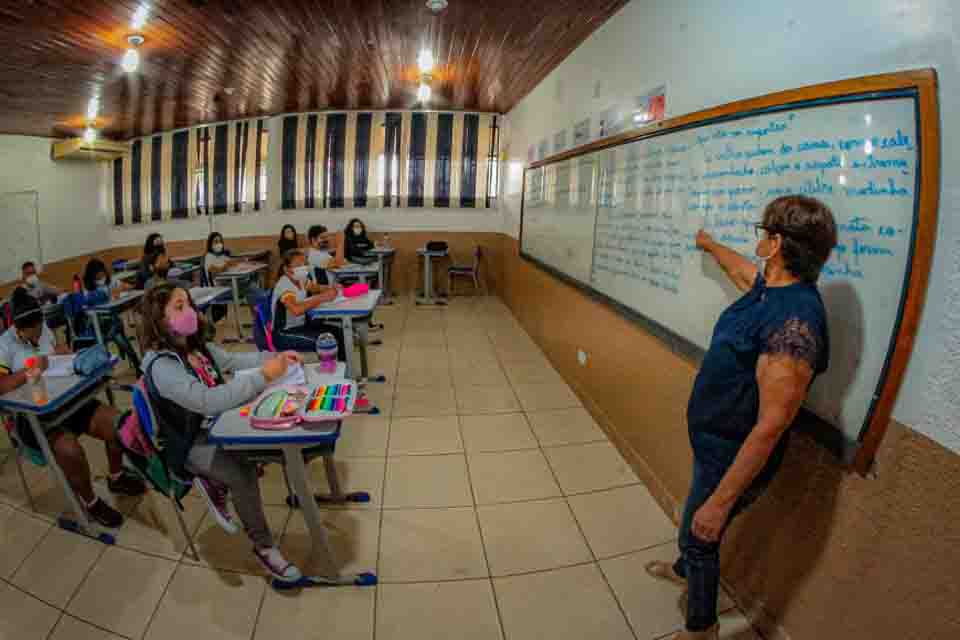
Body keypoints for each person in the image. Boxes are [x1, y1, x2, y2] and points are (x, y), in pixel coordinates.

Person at [645, 195, 837, 640]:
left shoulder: (795, 323)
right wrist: (709, 244)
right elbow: (739, 269)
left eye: (764, 232)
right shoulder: (770, 289)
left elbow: (772, 425)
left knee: (702, 531)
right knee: (696, 524)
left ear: (777, 244)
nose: (758, 240)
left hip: (733, 455)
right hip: (714, 442)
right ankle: (684, 567)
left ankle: (701, 628)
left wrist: (721, 501)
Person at [139, 283, 306, 581]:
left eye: (188, 303)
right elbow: (207, 400)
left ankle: (221, 481)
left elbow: (232, 361)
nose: (190, 311)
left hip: (216, 425)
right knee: (242, 474)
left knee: (270, 442)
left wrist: (276, 357)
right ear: (158, 319)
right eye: (179, 307)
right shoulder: (162, 365)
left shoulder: (192, 345)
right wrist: (263, 376)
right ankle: (264, 547)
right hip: (189, 442)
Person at [0, 288, 145, 527]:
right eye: (31, 331)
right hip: (34, 419)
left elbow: (54, 355)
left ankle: (117, 476)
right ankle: (90, 502)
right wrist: (31, 369)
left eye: (40, 327)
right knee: (70, 451)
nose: (38, 334)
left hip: (67, 402)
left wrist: (64, 354)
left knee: (118, 424)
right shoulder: (4, 344)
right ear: (17, 327)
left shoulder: (43, 328)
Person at [271, 249, 346, 360]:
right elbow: (296, 310)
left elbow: (318, 288)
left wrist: (332, 288)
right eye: (298, 265)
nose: (303, 267)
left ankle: (343, 369)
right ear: (287, 269)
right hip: (284, 333)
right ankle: (330, 372)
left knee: (338, 332)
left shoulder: (301, 280)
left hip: (301, 326)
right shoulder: (285, 285)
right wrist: (322, 298)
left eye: (305, 263)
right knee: (326, 343)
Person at [80, 259, 141, 374]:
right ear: (91, 277)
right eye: (98, 276)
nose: (101, 277)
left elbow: (129, 287)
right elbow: (87, 311)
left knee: (117, 330)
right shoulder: (88, 291)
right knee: (116, 334)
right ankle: (132, 361)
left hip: (111, 322)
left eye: (103, 273)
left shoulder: (110, 281)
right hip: (99, 325)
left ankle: (136, 362)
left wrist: (121, 288)